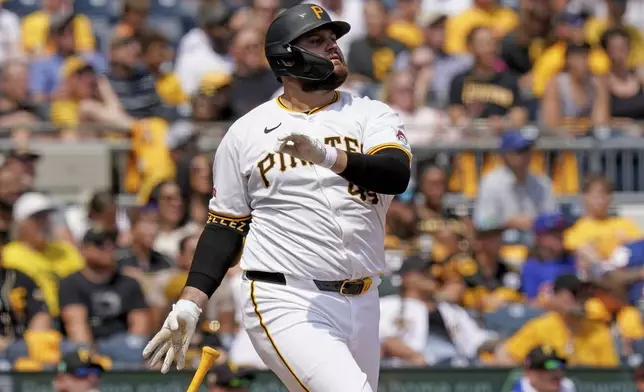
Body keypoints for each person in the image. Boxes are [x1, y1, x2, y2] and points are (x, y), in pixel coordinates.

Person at [143, 4, 412, 392]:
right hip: (284, 296)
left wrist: (325, 155)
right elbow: (225, 225)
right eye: (317, 41)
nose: (333, 47)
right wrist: (190, 301)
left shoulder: (371, 113)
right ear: (286, 57)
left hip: (364, 297)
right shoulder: (246, 132)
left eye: (333, 39)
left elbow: (394, 174)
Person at [511, 345, 577, 392]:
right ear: (529, 373)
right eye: (548, 366)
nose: (556, 371)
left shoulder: (568, 386)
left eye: (559, 364)